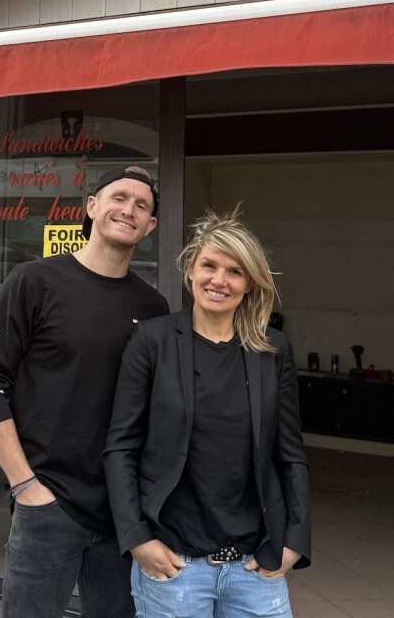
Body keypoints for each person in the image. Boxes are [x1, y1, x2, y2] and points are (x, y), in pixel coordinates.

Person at [0, 166, 169, 618]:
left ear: (150, 226)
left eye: (142, 206)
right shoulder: (33, 281)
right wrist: (25, 485)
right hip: (47, 505)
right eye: (119, 198)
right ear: (92, 206)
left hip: (121, 512)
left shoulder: (153, 307)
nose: (129, 210)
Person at [104, 207, 311, 618]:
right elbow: (120, 447)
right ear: (190, 270)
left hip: (256, 563)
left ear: (249, 284)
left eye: (235, 271)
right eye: (209, 266)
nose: (219, 280)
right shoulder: (152, 341)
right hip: (174, 564)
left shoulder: (273, 349)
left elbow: (290, 452)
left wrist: (296, 539)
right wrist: (137, 538)